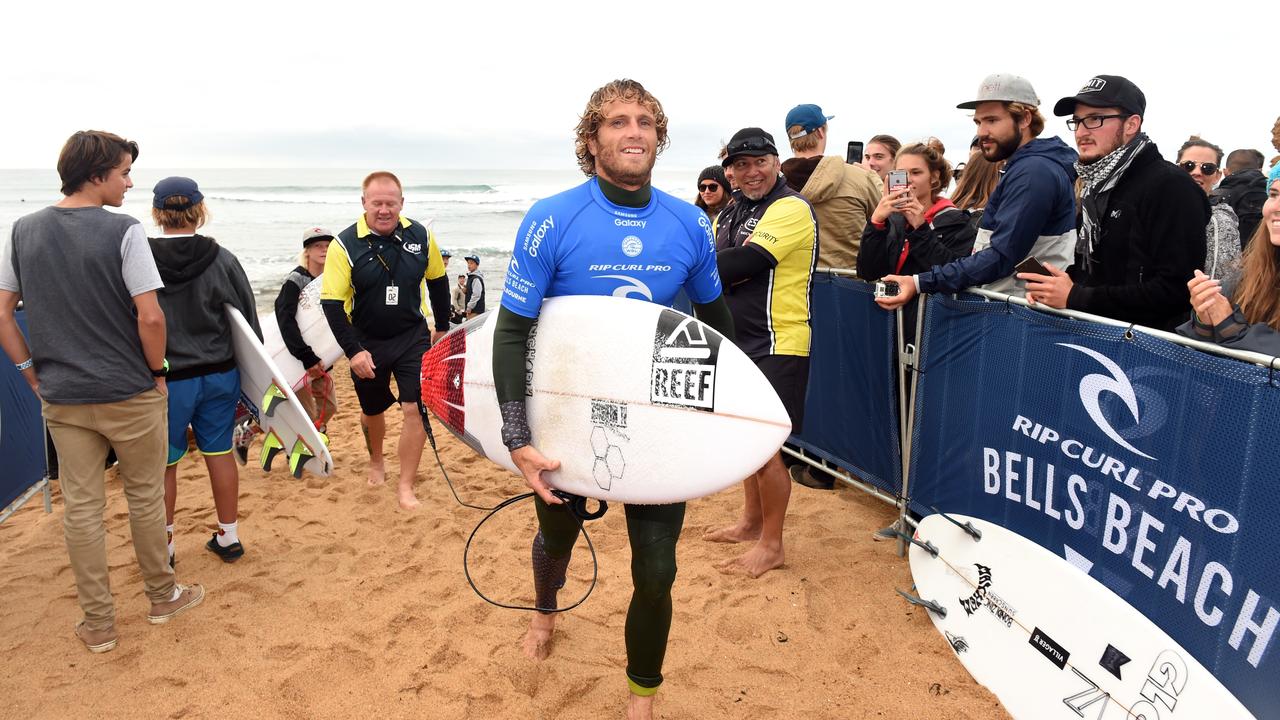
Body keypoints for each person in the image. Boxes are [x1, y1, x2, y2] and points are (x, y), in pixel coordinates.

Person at [494, 79, 733, 720]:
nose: (635, 132)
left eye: (647, 121)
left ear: (660, 136)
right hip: (568, 416)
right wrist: (518, 437)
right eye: (618, 121)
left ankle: (641, 698)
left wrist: (714, 423)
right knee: (558, 537)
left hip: (656, 420)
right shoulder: (554, 216)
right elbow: (513, 331)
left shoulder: (688, 222)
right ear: (592, 139)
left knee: (657, 573)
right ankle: (546, 609)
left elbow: (718, 332)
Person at [0, 131, 204, 653]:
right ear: (96, 175)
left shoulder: (23, 230)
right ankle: (162, 597)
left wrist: (27, 369)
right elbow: (151, 314)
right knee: (143, 496)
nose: (129, 182)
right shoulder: (125, 230)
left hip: (63, 396)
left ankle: (98, 625)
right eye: (122, 172)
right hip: (128, 391)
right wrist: (158, 371)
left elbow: (3, 311)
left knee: (82, 508)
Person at [705, 126, 816, 576]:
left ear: (776, 162)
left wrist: (678, 263)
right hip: (738, 339)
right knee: (746, 439)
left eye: (760, 162)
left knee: (769, 447)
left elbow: (745, 264)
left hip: (779, 339)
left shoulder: (791, 207)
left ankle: (772, 544)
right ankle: (751, 522)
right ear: (730, 170)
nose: (751, 172)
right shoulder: (730, 212)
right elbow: (718, 271)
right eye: (741, 164)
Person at [1020, 75, 1208, 332]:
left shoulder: (1172, 187)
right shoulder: (1095, 186)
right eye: (1077, 121)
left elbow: (1177, 289)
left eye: (1095, 119)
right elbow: (1099, 271)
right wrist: (1056, 288)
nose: (1082, 132)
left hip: (1146, 353)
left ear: (1131, 124)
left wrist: (1075, 296)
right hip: (1096, 339)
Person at [876, 73, 1078, 311]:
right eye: (978, 122)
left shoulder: (1033, 171)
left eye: (992, 120)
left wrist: (919, 282)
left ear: (1024, 118)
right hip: (1014, 309)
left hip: (1018, 314)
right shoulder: (1026, 167)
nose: (982, 132)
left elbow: (1000, 257)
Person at [320, 171, 451, 510]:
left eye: (390, 203)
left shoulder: (420, 236)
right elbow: (332, 305)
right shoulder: (344, 245)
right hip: (367, 341)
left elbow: (437, 281)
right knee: (371, 411)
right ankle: (376, 459)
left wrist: (441, 326)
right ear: (364, 203)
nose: (383, 210)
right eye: (376, 203)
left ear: (401, 204)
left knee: (415, 409)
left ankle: (405, 486)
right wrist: (354, 351)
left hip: (412, 337)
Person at [148, 177, 259, 565]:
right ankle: (228, 538)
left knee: (164, 463)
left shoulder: (140, 258)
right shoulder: (222, 258)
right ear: (201, 209)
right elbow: (248, 323)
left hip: (165, 379)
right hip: (218, 375)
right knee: (219, 451)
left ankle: (165, 549)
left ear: (157, 212)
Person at [1179, 163, 1280, 354]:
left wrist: (1230, 328)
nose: (1276, 207)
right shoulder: (1249, 276)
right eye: (1273, 194)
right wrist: (1204, 321)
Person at [780, 102, 882, 271]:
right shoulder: (860, 178)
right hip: (848, 284)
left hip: (792, 285)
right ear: (820, 131)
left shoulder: (775, 184)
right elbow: (884, 218)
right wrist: (873, 177)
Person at [276, 226, 339, 433]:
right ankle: (300, 445)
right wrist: (305, 356)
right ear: (307, 251)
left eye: (328, 246)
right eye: (317, 246)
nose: (324, 250)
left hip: (322, 357)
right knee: (305, 412)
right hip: (296, 356)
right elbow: (285, 319)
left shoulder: (334, 279)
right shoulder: (296, 280)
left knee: (329, 407)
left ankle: (310, 436)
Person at [1177, 137, 1243, 289]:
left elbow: (1222, 283)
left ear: (1217, 176)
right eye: (1188, 166)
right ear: (1176, 168)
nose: (1197, 172)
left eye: (1207, 168)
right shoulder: (1153, 208)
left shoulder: (1219, 220)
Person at [1216, 148, 1268, 245]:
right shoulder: (1272, 194)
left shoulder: (1217, 197)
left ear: (1225, 172)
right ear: (1259, 170)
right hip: (1266, 256)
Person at [462, 253, 485, 318]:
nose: (469, 265)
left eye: (471, 263)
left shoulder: (476, 278)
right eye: (468, 263)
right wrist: (466, 291)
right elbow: (472, 292)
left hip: (475, 311)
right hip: (472, 310)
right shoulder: (471, 276)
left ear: (477, 265)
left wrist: (469, 307)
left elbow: (476, 295)